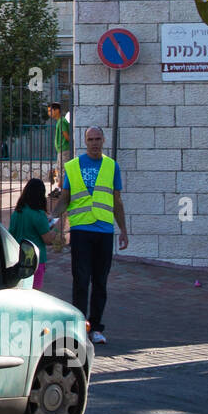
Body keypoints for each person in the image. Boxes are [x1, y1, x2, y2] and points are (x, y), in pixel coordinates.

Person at [53, 126, 129, 345]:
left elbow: (117, 201)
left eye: (97, 139)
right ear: (84, 142)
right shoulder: (73, 166)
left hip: (104, 231)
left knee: (100, 282)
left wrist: (123, 230)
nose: (94, 143)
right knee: (81, 281)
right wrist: (54, 218)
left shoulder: (111, 166)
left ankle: (96, 327)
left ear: (103, 140)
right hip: (81, 231)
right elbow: (65, 198)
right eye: (90, 139)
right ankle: (79, 327)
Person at [8, 178, 58, 290]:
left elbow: (11, 233)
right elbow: (48, 239)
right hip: (35, 261)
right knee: (34, 292)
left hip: (18, 258)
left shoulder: (17, 212)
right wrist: (56, 229)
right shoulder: (38, 214)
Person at [49, 102, 72, 193]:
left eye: (51, 110)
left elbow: (66, 135)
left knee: (63, 169)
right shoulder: (59, 121)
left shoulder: (62, 121)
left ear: (57, 110)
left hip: (64, 149)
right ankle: (59, 187)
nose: (49, 113)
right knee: (60, 168)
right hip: (61, 149)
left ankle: (61, 189)